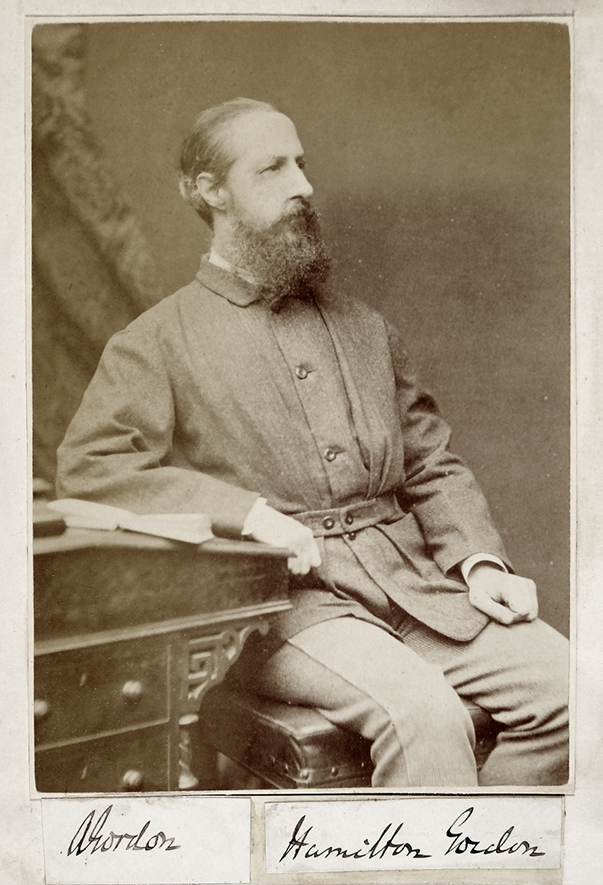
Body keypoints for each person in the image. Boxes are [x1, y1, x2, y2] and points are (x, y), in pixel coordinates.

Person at [56, 97, 569, 787]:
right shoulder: (156, 341)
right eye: (271, 169)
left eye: (301, 164)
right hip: (281, 607)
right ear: (210, 192)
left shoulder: (363, 327)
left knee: (574, 691)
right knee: (423, 715)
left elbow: (431, 463)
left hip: (414, 587)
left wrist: (480, 565)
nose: (302, 185)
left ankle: (479, 857)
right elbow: (92, 469)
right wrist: (247, 516)